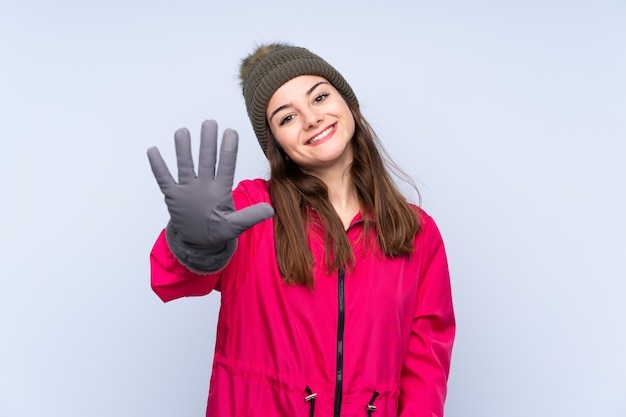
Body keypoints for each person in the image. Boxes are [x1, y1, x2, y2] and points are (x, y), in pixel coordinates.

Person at [147, 42, 455, 417]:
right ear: (276, 143)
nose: (311, 119)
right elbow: (169, 281)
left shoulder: (416, 232)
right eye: (286, 117)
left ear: (346, 103)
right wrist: (192, 243)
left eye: (320, 97)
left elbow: (425, 367)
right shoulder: (252, 210)